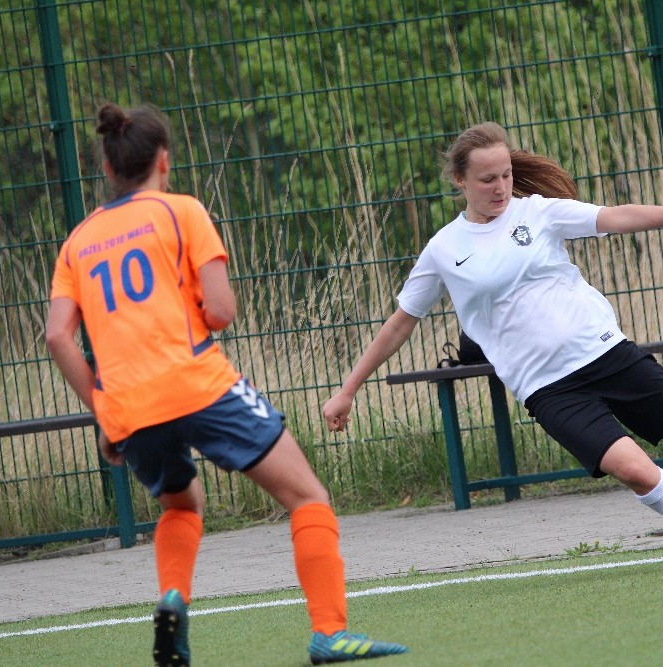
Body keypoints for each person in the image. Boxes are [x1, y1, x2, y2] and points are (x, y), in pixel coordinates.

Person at [45, 103, 408, 666]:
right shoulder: (182, 211)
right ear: (164, 161)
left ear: (109, 168)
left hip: (130, 407)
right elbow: (220, 311)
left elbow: (57, 337)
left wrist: (104, 409)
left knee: (183, 507)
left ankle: (173, 598)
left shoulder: (78, 242)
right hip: (199, 384)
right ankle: (329, 633)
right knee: (307, 495)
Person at [322, 121, 663, 540]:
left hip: (605, 353)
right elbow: (400, 323)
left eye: (506, 175)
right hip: (549, 388)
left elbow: (617, 216)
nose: (500, 187)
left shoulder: (539, 212)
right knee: (635, 470)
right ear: (460, 180)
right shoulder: (443, 250)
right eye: (487, 179)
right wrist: (348, 390)